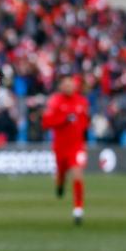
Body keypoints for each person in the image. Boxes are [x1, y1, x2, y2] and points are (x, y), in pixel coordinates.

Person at [42, 72, 90, 224]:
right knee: (61, 174)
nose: (69, 86)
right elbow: (46, 123)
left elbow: (85, 123)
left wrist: (84, 141)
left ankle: (78, 210)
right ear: (61, 86)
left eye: (71, 83)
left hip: (77, 146)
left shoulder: (82, 101)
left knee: (77, 174)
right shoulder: (54, 102)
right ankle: (60, 185)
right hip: (60, 147)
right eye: (66, 83)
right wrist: (63, 120)